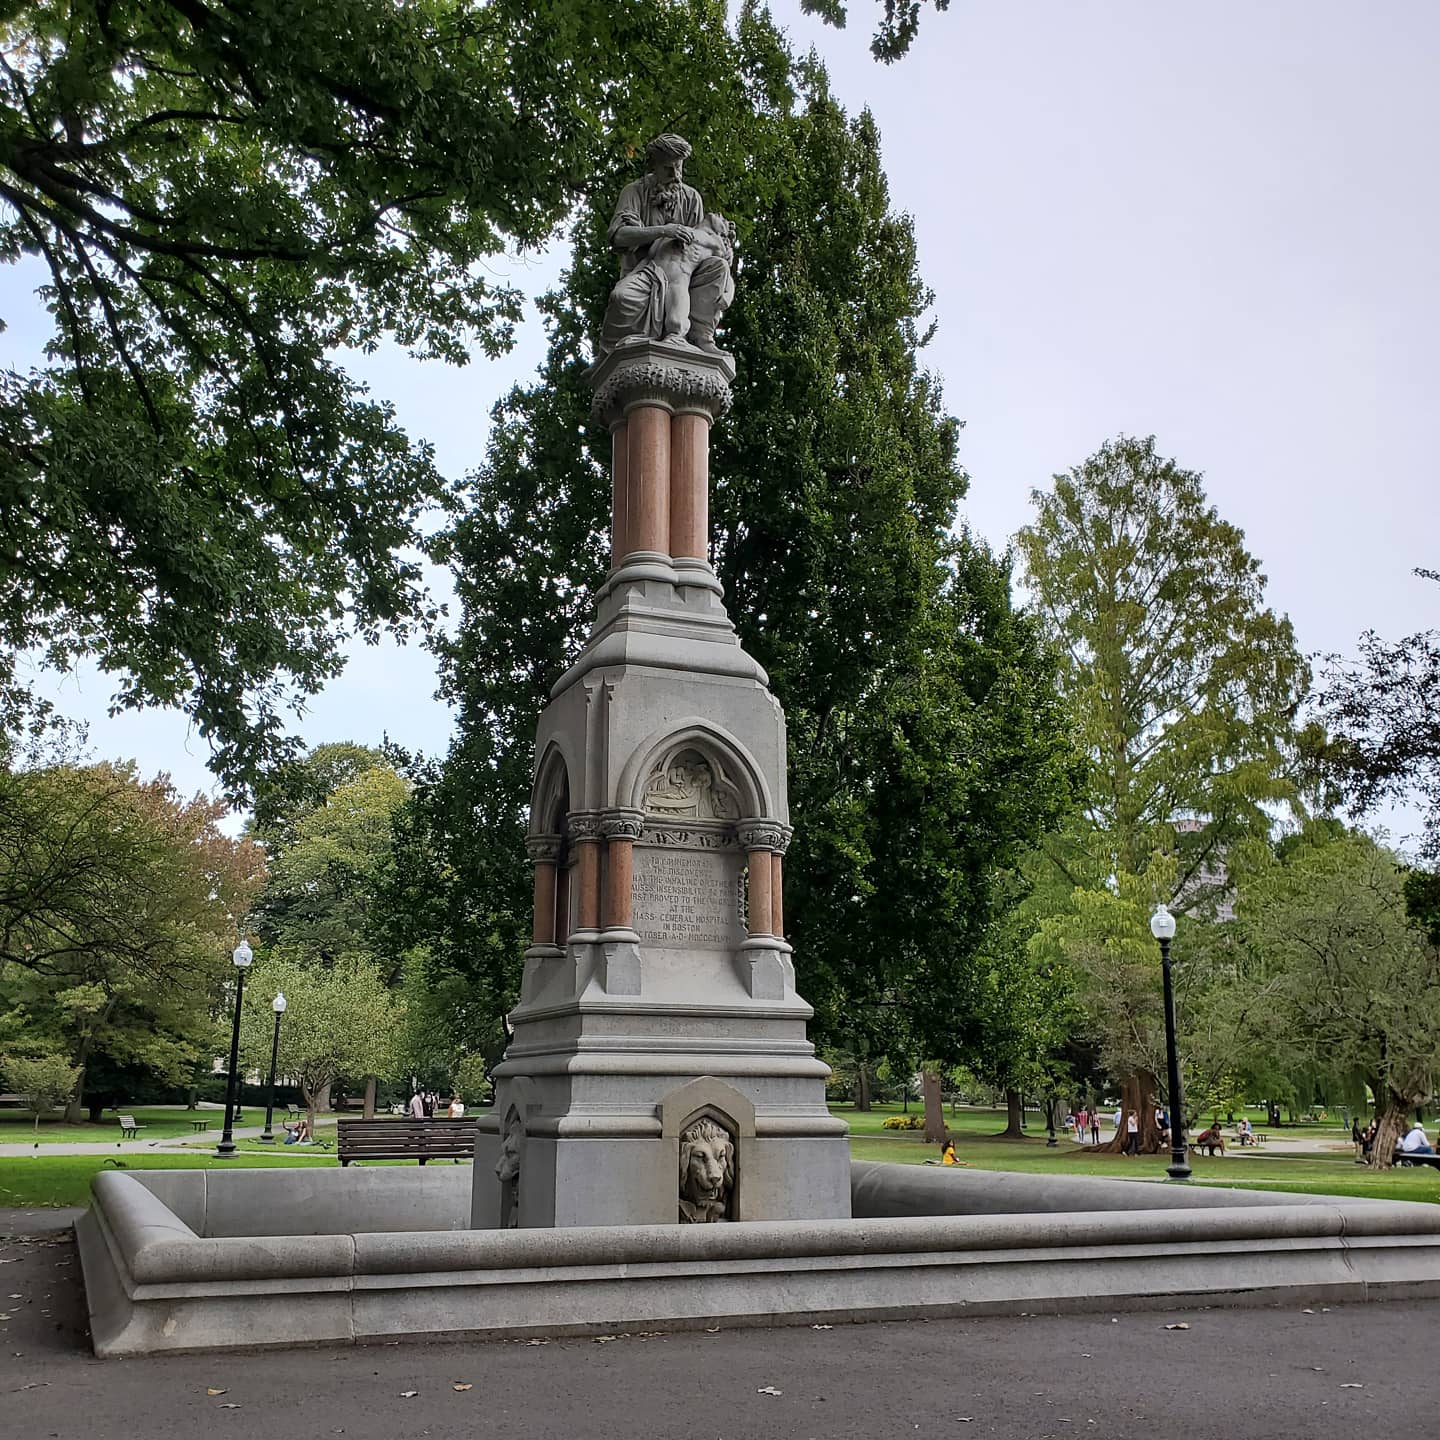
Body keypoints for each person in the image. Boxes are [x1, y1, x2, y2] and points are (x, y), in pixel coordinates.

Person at [598, 134, 734, 357]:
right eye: (668, 169)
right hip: (647, 270)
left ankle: (702, 337)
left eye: (679, 168)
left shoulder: (692, 198)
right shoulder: (634, 192)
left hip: (684, 275)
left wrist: (723, 255)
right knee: (621, 298)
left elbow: (699, 243)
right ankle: (613, 355)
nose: (675, 175)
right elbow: (619, 236)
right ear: (654, 165)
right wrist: (664, 231)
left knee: (718, 267)